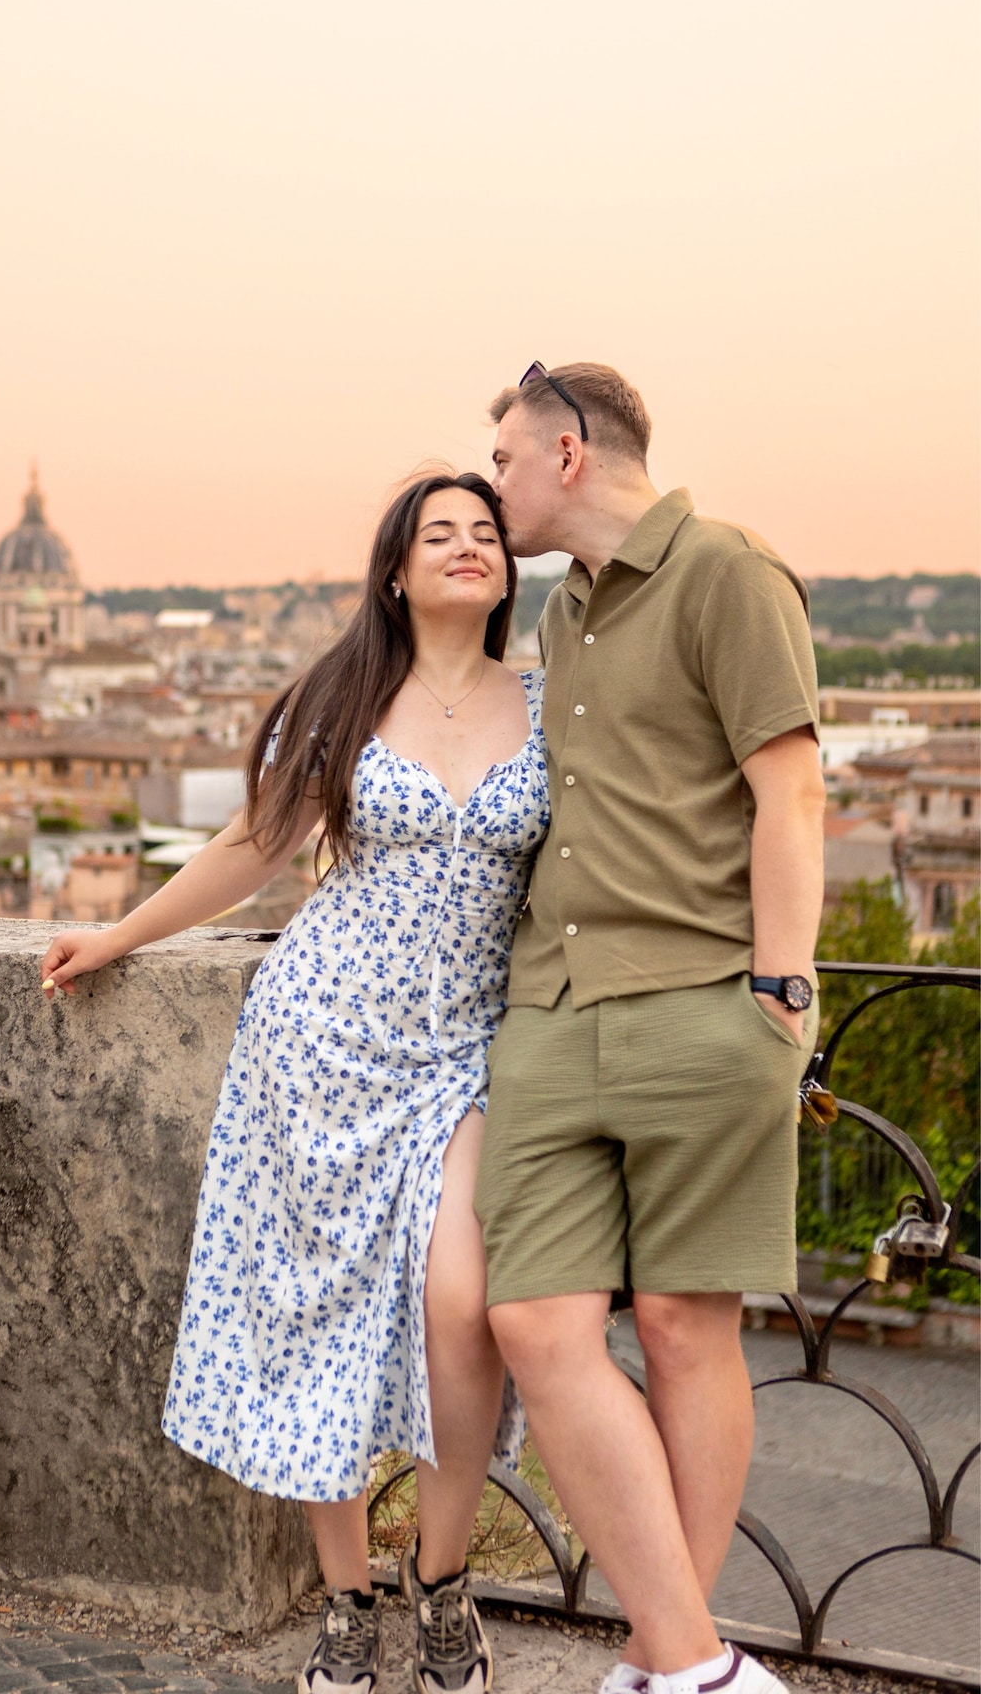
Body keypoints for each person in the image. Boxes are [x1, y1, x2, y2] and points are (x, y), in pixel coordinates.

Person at [40, 471, 550, 1694]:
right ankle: (346, 1599)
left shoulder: (548, 701)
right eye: (440, 533)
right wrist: (118, 937)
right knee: (316, 1313)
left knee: (463, 1302)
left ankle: (440, 1582)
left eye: (486, 532)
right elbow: (253, 846)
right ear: (396, 573)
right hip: (321, 1038)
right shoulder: (345, 696)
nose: (468, 546)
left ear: (506, 570)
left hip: (466, 1050)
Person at [474, 362, 825, 1694]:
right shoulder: (562, 609)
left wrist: (781, 995)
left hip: (699, 1000)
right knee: (533, 1325)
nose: (494, 482)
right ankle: (697, 1666)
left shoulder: (729, 572)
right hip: (550, 1015)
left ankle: (658, 1661)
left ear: (568, 452)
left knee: (684, 1328)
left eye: (504, 457)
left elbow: (791, 792)